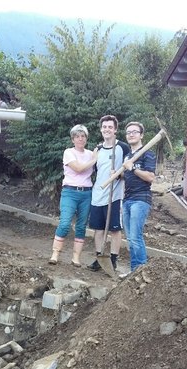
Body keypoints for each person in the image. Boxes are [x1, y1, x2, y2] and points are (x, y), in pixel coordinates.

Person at [49, 124, 98, 267]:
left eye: (83, 136)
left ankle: (76, 257)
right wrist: (95, 159)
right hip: (70, 192)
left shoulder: (90, 154)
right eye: (77, 136)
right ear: (73, 139)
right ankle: (55, 253)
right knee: (65, 224)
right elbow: (78, 168)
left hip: (86, 193)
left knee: (81, 226)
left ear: (86, 138)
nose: (80, 139)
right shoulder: (69, 152)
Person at [88, 114, 129, 272]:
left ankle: (113, 259)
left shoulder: (122, 148)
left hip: (114, 196)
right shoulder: (97, 149)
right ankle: (99, 258)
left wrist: (119, 174)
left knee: (114, 230)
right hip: (98, 195)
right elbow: (96, 171)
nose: (107, 129)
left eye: (110, 127)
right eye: (104, 127)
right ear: (101, 129)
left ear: (115, 130)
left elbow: (129, 172)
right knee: (98, 229)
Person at [122, 122, 156, 271]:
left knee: (136, 237)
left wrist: (133, 168)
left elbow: (150, 177)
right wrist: (119, 175)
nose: (131, 134)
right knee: (130, 239)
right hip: (127, 199)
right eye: (128, 132)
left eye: (135, 132)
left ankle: (141, 271)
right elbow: (127, 176)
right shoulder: (128, 156)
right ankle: (133, 272)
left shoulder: (148, 153)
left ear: (141, 135)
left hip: (141, 199)